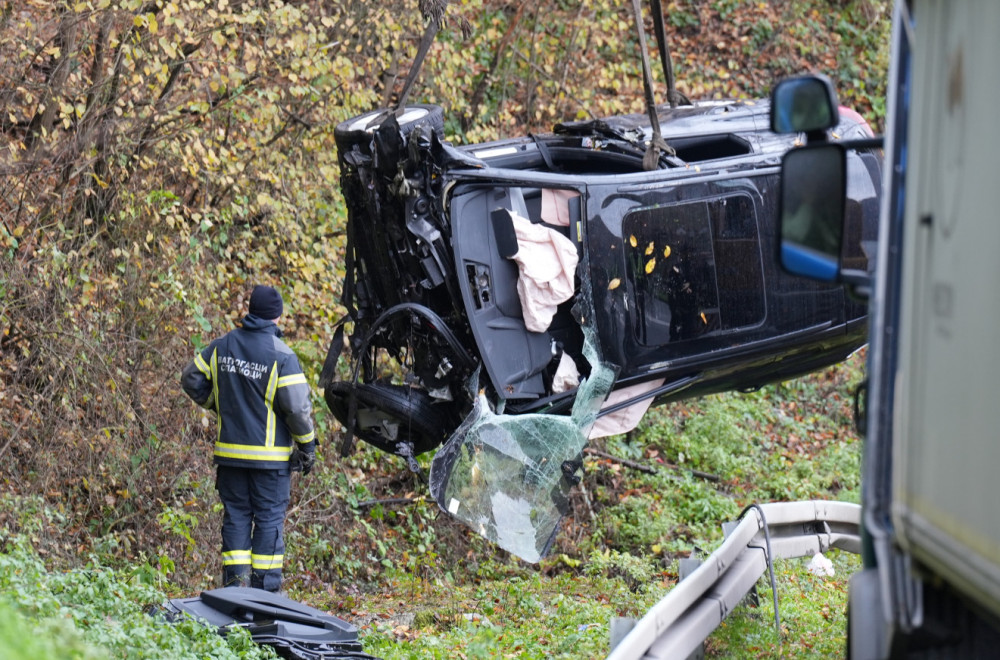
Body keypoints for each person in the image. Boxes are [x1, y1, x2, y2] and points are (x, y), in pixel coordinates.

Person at [181, 284, 316, 592]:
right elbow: (296, 409)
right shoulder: (282, 356)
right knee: (268, 521)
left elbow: (191, 378)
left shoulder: (221, 346)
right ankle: (265, 595)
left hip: (230, 458)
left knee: (236, 518)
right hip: (270, 463)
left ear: (251, 311)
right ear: (277, 317)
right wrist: (307, 445)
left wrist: (218, 403)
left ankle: (234, 591)